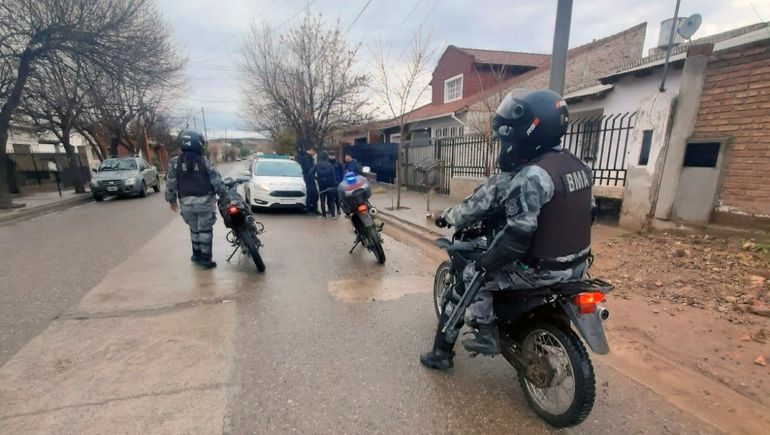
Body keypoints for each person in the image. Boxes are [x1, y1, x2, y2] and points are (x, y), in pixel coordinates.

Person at [420, 89, 593, 370]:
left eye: (509, 135)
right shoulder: (578, 166)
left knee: (473, 273)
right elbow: (589, 213)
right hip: (578, 265)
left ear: (529, 132)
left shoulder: (530, 176)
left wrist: (484, 264)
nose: (506, 142)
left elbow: (515, 238)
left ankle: (476, 338)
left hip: (540, 269)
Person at [165, 129, 227, 269]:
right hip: (205, 201)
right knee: (204, 230)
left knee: (194, 229)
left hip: (186, 202)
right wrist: (224, 196)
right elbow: (216, 181)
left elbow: (171, 183)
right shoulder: (205, 162)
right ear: (198, 144)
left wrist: (171, 200)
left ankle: (196, 255)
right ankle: (205, 259)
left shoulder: (174, 162)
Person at [309, 151, 339, 219]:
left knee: (322, 199)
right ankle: (333, 215)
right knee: (331, 200)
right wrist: (335, 185)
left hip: (321, 183)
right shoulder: (330, 165)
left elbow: (310, 173)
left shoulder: (317, 165)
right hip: (330, 184)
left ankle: (324, 216)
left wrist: (316, 178)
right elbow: (334, 176)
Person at [297, 146, 319, 214]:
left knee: (314, 193)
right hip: (308, 177)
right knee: (311, 193)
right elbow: (308, 168)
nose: (314, 154)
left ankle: (314, 209)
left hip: (310, 176)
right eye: (314, 152)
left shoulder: (308, 157)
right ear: (312, 150)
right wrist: (313, 170)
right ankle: (309, 209)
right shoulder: (306, 157)